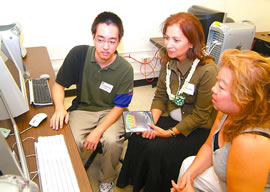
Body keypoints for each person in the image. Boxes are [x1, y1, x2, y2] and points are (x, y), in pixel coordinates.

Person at [117, 12, 217, 192]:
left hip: (196, 128)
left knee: (157, 151)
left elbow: (201, 116)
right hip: (172, 116)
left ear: (192, 42)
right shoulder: (168, 61)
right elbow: (160, 97)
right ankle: (138, 182)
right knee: (138, 138)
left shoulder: (207, 71)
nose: (169, 45)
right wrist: (150, 123)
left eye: (176, 40)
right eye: (166, 38)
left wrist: (168, 133)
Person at [49, 11, 134, 192]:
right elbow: (58, 85)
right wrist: (59, 108)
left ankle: (107, 179)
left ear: (119, 42)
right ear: (93, 37)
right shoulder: (79, 55)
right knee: (70, 141)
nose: (105, 46)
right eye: (100, 39)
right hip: (83, 109)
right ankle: (69, 176)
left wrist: (98, 131)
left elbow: (120, 106)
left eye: (112, 41)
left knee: (112, 141)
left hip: (111, 110)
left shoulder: (125, 69)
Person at [171, 49, 270, 192]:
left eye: (221, 87)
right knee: (188, 165)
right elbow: (209, 146)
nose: (213, 89)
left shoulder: (251, 143)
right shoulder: (226, 110)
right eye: (217, 81)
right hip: (226, 182)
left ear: (245, 98)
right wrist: (189, 176)